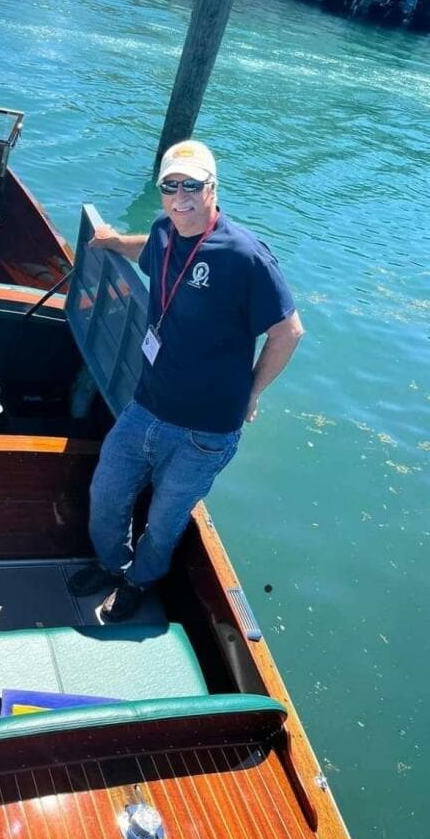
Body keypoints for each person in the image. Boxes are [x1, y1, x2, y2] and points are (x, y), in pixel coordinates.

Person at [69, 139, 304, 622]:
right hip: (146, 407)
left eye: (192, 186)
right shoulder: (163, 232)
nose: (181, 197)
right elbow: (146, 248)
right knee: (106, 493)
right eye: (170, 186)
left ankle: (138, 582)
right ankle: (112, 564)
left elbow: (288, 331)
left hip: (205, 431)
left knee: (165, 521)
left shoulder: (246, 256)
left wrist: (252, 391)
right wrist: (114, 241)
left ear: (212, 188)